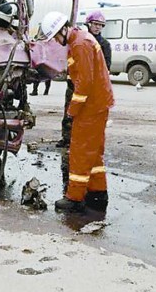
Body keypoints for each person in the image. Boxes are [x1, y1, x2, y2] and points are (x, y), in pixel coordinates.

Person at [39, 11, 114, 214]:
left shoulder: (79, 44)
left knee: (80, 151)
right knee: (94, 151)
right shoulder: (80, 39)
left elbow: (85, 83)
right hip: (98, 103)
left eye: (55, 36)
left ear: (63, 29)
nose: (55, 40)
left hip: (91, 107)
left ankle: (75, 197)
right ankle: (98, 193)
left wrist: (72, 111)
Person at [56, 11, 112, 147]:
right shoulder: (76, 39)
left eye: (101, 25)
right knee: (68, 112)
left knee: (84, 115)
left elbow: (105, 67)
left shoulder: (101, 44)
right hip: (73, 83)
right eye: (95, 24)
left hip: (88, 86)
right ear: (89, 24)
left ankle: (80, 140)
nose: (98, 27)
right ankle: (67, 138)